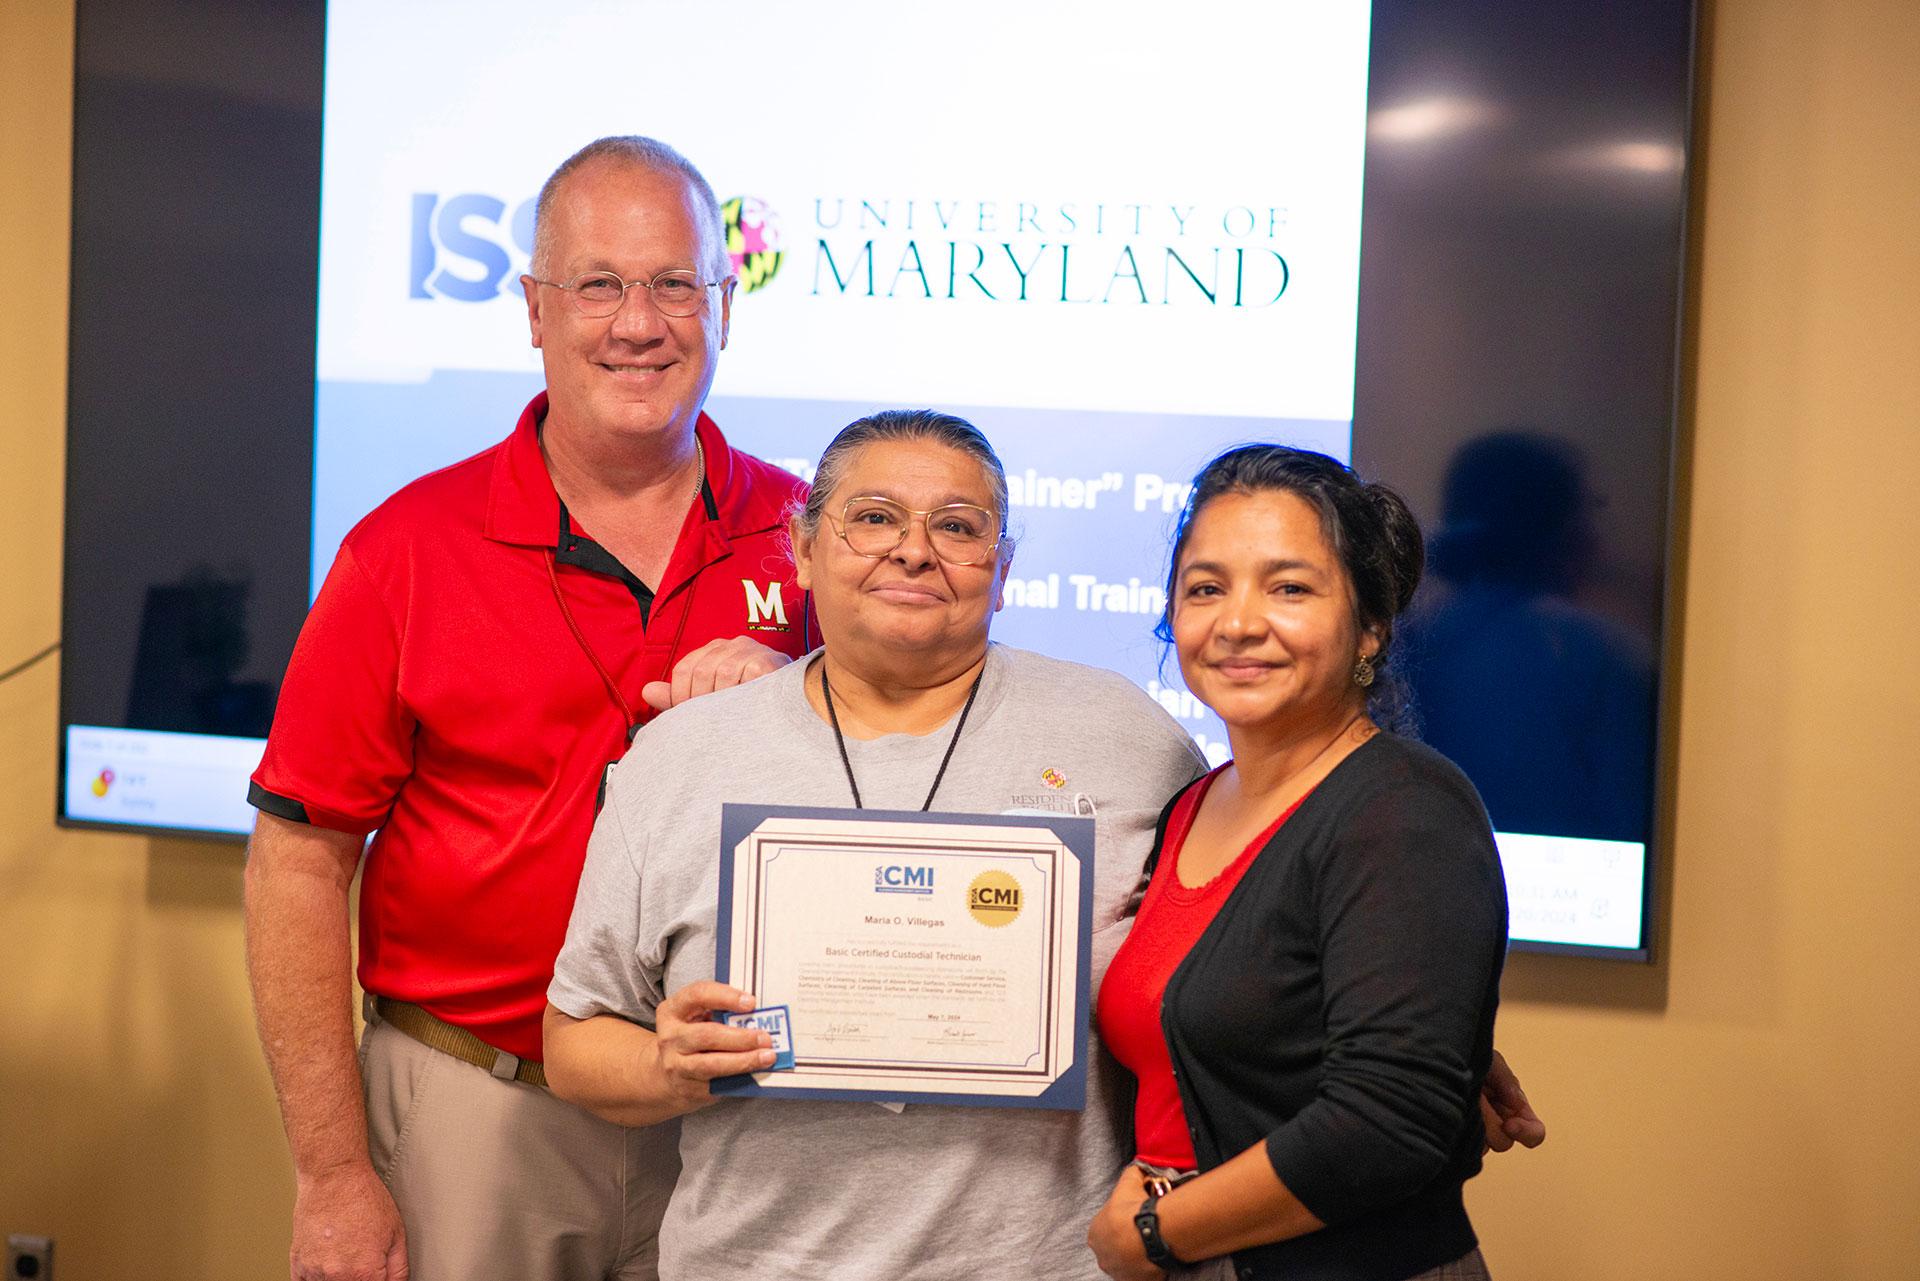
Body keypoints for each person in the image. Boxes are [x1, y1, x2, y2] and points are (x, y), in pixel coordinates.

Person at [544, 414, 1541, 1280]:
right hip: (757, 1261)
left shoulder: (1126, 735)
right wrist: (669, 1068)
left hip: (1059, 1261)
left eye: (959, 527)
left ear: (1006, 568)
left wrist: (1416, 1036)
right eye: (874, 517)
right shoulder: (684, 751)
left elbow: (1280, 921)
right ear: (802, 549)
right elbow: (573, 1042)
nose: (913, 550)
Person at [242, 136, 811, 1281]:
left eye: (674, 285)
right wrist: (332, 1173)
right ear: (535, 311)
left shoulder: (816, 536)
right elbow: (298, 864)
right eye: (599, 285)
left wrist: (798, 698)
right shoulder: (405, 549)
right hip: (478, 1108)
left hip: (742, 1117)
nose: (638, 323)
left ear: (725, 304)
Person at [1087, 445, 1509, 1281]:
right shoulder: (1195, 804)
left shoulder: (1402, 808)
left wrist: (1155, 1233)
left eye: (1289, 587)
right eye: (1206, 587)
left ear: (1371, 623)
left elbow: (1386, 1123)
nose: (1238, 622)